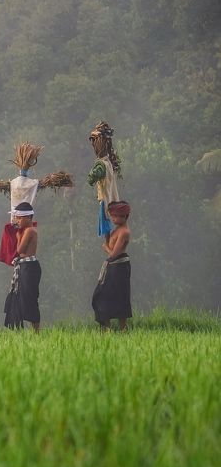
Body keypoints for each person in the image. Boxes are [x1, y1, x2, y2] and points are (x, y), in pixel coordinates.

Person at [92, 201, 132, 331]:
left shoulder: (124, 232)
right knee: (102, 295)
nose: (113, 219)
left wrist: (105, 248)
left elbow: (113, 254)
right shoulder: (116, 230)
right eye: (112, 216)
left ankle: (123, 329)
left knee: (121, 296)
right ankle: (106, 328)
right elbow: (109, 244)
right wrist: (107, 233)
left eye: (116, 216)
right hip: (111, 266)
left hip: (119, 266)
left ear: (125, 216)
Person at [4, 202, 41, 332]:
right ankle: (18, 329)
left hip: (29, 267)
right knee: (19, 296)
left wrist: (18, 236)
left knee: (29, 297)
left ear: (28, 218)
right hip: (24, 266)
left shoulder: (30, 231)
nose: (17, 221)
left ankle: (36, 330)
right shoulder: (26, 230)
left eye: (19, 218)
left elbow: (20, 250)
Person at [86, 120, 122, 241]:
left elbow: (91, 179)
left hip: (105, 200)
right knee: (110, 225)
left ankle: (109, 245)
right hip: (112, 198)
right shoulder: (108, 163)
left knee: (106, 226)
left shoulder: (101, 165)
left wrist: (92, 175)